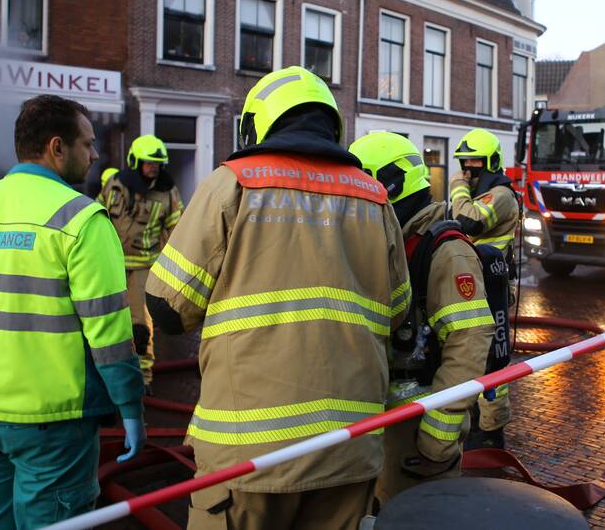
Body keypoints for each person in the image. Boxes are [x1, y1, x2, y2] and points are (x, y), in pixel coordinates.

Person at [144, 66, 411, 530]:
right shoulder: (375, 198)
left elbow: (167, 308)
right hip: (349, 450)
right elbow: (399, 309)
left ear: (257, 125)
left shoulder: (233, 183)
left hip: (248, 458)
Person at [0, 94, 145, 529]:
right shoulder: (82, 220)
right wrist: (131, 406)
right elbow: (110, 333)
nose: (95, 154)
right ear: (56, 148)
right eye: (88, 143)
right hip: (53, 421)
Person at [350, 132, 493, 505]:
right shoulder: (392, 240)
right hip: (383, 426)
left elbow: (470, 340)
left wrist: (437, 437)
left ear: (391, 186)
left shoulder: (445, 253)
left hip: (419, 435)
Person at [448, 129, 520, 450]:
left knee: (493, 358)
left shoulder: (500, 195)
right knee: (474, 355)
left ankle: (491, 430)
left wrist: (457, 190)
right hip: (478, 283)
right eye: (463, 164)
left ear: (490, 162)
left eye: (473, 163)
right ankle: (478, 419)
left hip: (494, 284)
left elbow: (470, 223)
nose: (466, 171)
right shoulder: (481, 193)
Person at [99, 135, 183, 391]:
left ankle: (142, 377)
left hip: (144, 266)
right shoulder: (116, 185)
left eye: (157, 163)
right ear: (135, 162)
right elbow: (98, 217)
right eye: (148, 163)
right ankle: (106, 374)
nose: (153, 167)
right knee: (105, 318)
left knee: (140, 325)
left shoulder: (168, 192)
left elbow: (177, 229)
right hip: (109, 263)